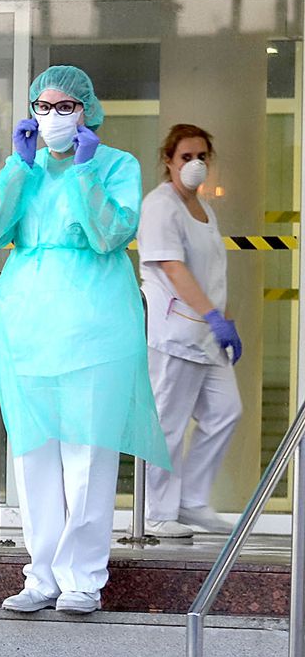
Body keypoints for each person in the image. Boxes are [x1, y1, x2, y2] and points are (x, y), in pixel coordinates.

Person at [0, 65, 169, 616]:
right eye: (43, 107)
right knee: (33, 453)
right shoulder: (24, 169)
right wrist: (16, 168)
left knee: (88, 452)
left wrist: (83, 173)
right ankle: (41, 575)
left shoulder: (115, 165)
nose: (53, 117)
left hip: (96, 327)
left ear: (86, 110)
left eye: (64, 107)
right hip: (28, 328)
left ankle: (83, 579)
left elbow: (109, 234)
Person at [138, 123, 241, 540]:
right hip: (175, 332)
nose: (195, 164)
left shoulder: (203, 208)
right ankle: (158, 513)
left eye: (202, 157)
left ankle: (192, 501)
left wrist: (224, 319)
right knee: (168, 424)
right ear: (168, 161)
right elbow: (173, 268)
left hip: (206, 334)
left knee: (226, 411)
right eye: (186, 157)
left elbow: (211, 272)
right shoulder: (161, 206)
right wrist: (212, 317)